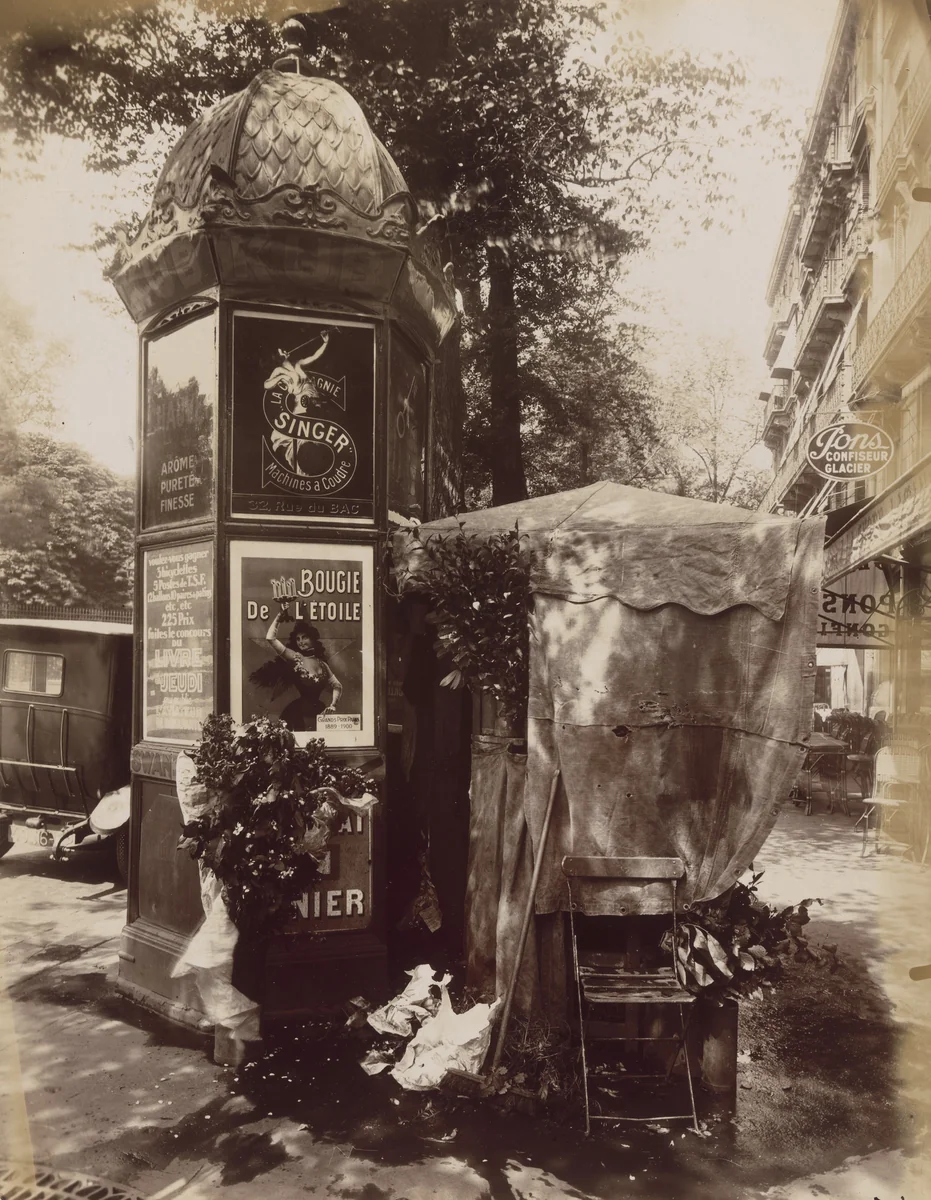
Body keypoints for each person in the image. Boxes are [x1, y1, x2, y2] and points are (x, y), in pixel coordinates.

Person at [265, 605, 342, 732]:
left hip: (319, 711)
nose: (301, 642)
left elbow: (337, 685)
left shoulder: (322, 664)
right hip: (297, 713)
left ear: (312, 638)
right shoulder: (296, 657)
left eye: (304, 637)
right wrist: (279, 617)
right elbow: (270, 638)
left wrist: (333, 705)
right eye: (298, 639)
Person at [262, 332, 329, 415]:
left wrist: (325, 343)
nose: (285, 351)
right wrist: (281, 377)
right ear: (277, 357)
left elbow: (314, 356)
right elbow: (266, 385)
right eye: (282, 352)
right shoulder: (279, 370)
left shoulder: (298, 363)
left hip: (314, 395)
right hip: (302, 404)